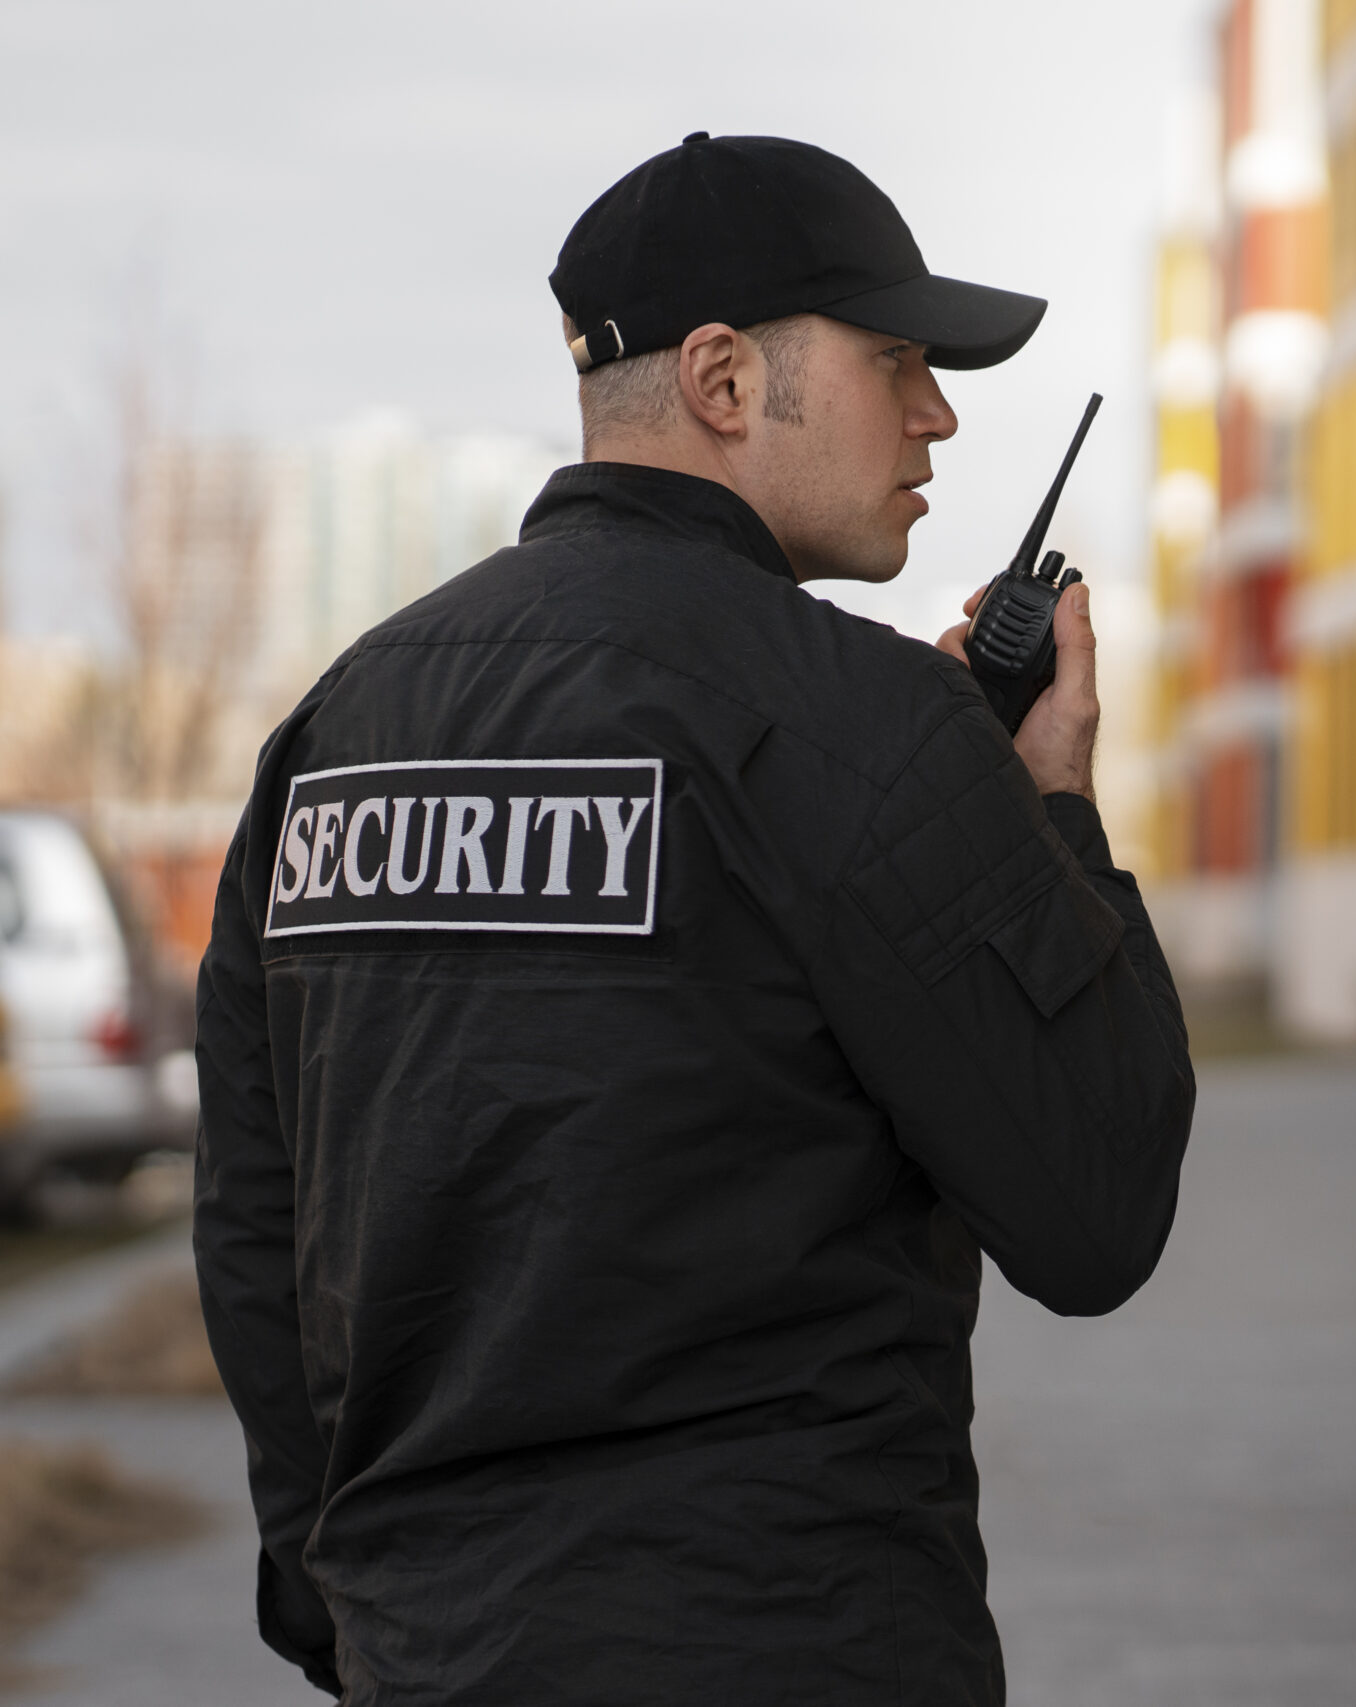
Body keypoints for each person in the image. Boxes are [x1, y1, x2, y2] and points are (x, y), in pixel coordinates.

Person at [193, 133, 1195, 1706]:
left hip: (427, 1653)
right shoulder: (867, 727)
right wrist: (1050, 808)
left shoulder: (342, 725)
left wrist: (347, 1604)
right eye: (899, 359)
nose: (937, 412)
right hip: (788, 1642)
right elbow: (1098, 1204)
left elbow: (259, 1224)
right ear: (727, 381)